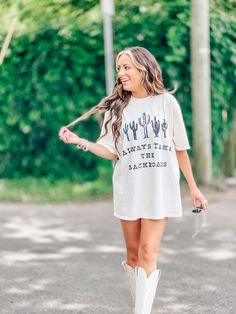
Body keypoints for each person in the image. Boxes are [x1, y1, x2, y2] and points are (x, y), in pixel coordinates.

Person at [59, 46, 208, 314]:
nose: (121, 73)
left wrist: (194, 188)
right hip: (129, 188)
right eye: (119, 68)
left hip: (159, 189)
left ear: (143, 68)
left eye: (127, 67)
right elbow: (110, 151)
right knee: (133, 257)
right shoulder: (117, 109)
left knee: (149, 253)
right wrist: (81, 142)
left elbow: (180, 148)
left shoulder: (166, 103)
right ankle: (140, 304)